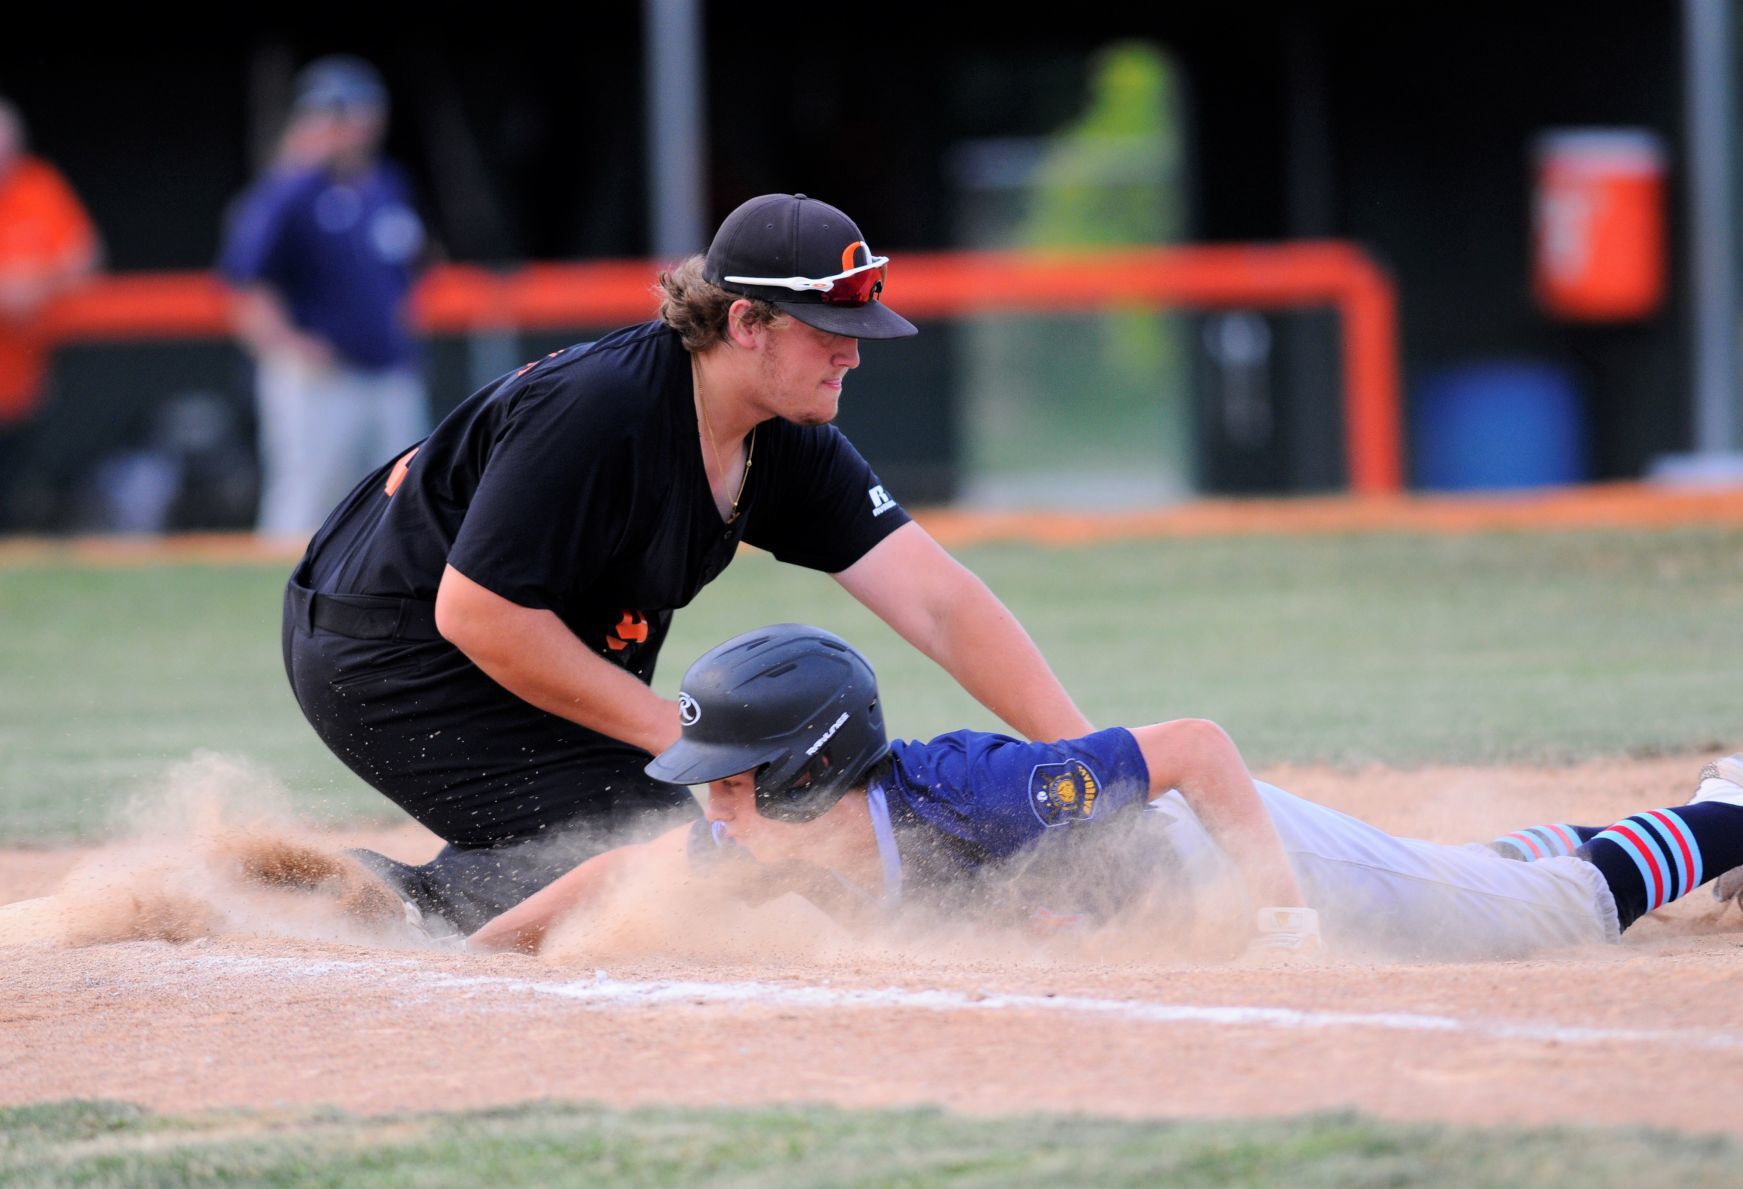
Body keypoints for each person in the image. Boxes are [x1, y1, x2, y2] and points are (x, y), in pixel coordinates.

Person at [282, 193, 1093, 933]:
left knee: (723, 836)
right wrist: (691, 743)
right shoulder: (603, 409)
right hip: (388, 651)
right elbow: (476, 612)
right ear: (746, 323)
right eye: (828, 332)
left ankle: (421, 893)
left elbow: (938, 603)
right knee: (663, 842)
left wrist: (1094, 763)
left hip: (513, 636)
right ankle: (367, 904)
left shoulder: (786, 437)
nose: (851, 356)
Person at [470, 624, 1743, 961]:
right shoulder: (762, 838)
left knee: (1551, 917)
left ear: (808, 769)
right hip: (1220, 873)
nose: (711, 810)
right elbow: (618, 876)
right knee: (1467, 882)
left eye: (733, 782)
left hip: (1224, 859)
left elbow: (1192, 746)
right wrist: (481, 950)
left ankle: (1726, 811)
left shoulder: (981, 790)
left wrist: (1289, 921)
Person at [219, 55, 429, 537]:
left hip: (389, 371)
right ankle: (281, 603)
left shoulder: (388, 184)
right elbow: (244, 284)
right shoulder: (289, 191)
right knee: (310, 497)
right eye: (337, 113)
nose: (351, 125)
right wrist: (288, 346)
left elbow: (409, 267)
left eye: (359, 111)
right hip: (319, 377)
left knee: (405, 496)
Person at [0, 97, 100, 526]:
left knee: (22, 492)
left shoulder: (38, 184)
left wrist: (37, 285)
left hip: (26, 375)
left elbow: (85, 256)